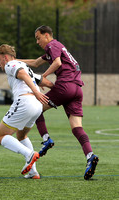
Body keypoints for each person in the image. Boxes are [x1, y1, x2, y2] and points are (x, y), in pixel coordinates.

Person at [18, 25, 99, 180]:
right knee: (77, 128)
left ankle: (46, 139)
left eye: (38, 37)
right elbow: (35, 63)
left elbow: (57, 63)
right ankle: (90, 156)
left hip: (65, 86)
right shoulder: (55, 48)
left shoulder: (52, 45)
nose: (37, 42)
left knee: (36, 108)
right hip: (77, 90)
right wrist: (16, 61)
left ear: (47, 35)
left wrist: (43, 78)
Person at [0, 44, 54, 179]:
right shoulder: (26, 68)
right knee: (21, 136)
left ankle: (29, 154)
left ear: (5, 57)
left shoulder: (11, 64)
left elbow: (21, 74)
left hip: (25, 102)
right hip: (36, 106)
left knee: (0, 137)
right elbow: (45, 82)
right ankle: (33, 172)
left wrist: (35, 91)